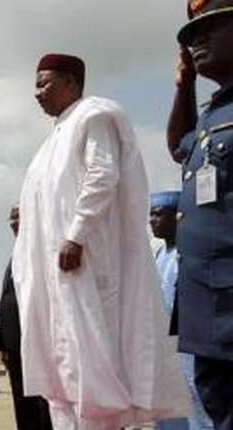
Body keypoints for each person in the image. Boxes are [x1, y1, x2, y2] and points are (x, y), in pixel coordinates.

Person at [13, 53, 189, 428]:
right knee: (63, 373)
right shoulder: (54, 138)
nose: (36, 93)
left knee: (93, 367)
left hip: (87, 266)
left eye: (44, 83)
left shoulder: (93, 116)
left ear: (71, 84)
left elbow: (102, 173)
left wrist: (76, 235)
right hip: (57, 277)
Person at [169, 2, 233, 428]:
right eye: (191, 35)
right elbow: (179, 147)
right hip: (209, 308)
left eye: (210, 28)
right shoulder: (212, 114)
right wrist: (184, 86)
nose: (196, 41)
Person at [150, 191, 213, 430]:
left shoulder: (188, 253)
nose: (152, 221)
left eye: (158, 214)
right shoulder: (158, 254)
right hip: (165, 344)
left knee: (194, 397)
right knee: (168, 401)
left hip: (188, 342)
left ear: (177, 217)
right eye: (150, 215)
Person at [0, 205, 52, 430]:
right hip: (14, 343)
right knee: (21, 399)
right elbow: (6, 300)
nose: (13, 223)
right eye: (11, 219)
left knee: (41, 400)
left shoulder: (41, 250)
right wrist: (2, 343)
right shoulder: (16, 253)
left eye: (18, 217)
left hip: (36, 340)